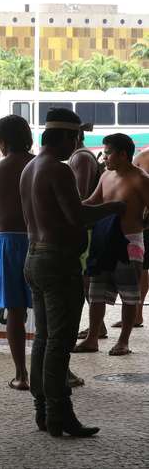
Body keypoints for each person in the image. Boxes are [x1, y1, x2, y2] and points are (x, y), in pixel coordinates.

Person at [20, 108, 123, 437]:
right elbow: (77, 216)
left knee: (43, 340)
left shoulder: (30, 167)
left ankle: (42, 411)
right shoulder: (58, 169)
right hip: (58, 262)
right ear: (65, 137)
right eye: (76, 138)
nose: (77, 145)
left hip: (33, 257)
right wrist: (113, 207)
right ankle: (60, 415)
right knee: (59, 343)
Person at [74, 133, 149, 356]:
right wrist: (70, 207)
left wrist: (142, 224)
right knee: (95, 292)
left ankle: (124, 341)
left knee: (129, 295)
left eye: (108, 153)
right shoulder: (106, 175)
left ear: (123, 154)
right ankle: (92, 337)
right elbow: (92, 202)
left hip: (129, 243)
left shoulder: (141, 179)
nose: (104, 157)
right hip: (103, 239)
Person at [0, 115, 34, 391]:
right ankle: (61, 371)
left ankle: (21, 374)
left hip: (8, 242)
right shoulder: (43, 167)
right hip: (41, 240)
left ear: (2, 142)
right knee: (50, 310)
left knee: (15, 311)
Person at [70, 125, 108, 341]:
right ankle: (98, 325)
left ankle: (97, 327)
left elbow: (82, 194)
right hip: (88, 226)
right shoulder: (80, 156)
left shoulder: (81, 157)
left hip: (88, 228)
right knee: (86, 279)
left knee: (87, 279)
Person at [131, 147, 149, 328]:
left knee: (142, 266)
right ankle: (136, 313)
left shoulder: (143, 157)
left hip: (144, 220)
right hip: (143, 220)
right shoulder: (143, 156)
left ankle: (136, 313)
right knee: (142, 266)